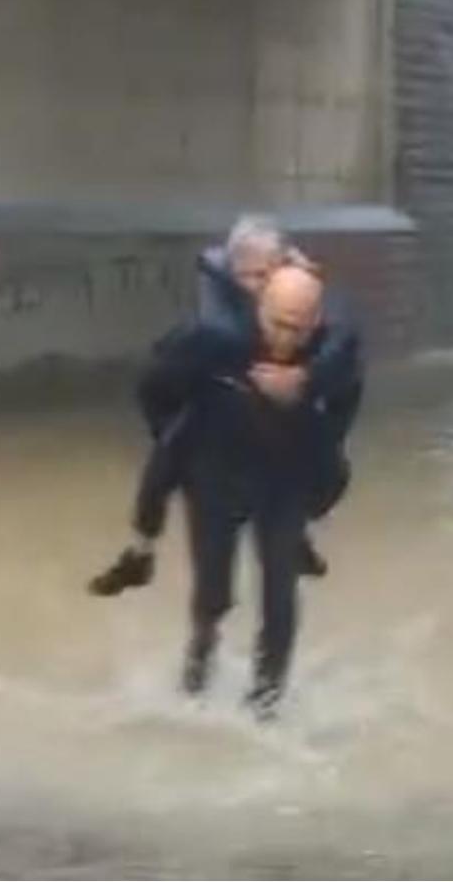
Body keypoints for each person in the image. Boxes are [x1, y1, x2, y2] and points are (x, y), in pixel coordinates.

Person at [88, 215, 362, 596]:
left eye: (269, 274)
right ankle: (140, 554)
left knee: (325, 466)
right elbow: (155, 383)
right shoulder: (216, 323)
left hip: (286, 411)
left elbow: (346, 361)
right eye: (251, 277)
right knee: (168, 456)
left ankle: (296, 531)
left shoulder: (304, 296)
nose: (261, 286)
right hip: (215, 406)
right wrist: (171, 429)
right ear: (232, 275)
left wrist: (309, 388)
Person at [141, 264, 352, 719]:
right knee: (213, 590)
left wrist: (305, 384)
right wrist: (171, 440)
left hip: (283, 481)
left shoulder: (329, 350)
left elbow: (344, 401)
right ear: (261, 309)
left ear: (314, 321)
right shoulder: (217, 340)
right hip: (215, 474)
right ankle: (200, 660)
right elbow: (155, 383)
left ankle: (267, 700)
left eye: (298, 328)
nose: (285, 338)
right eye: (277, 323)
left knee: (280, 590)